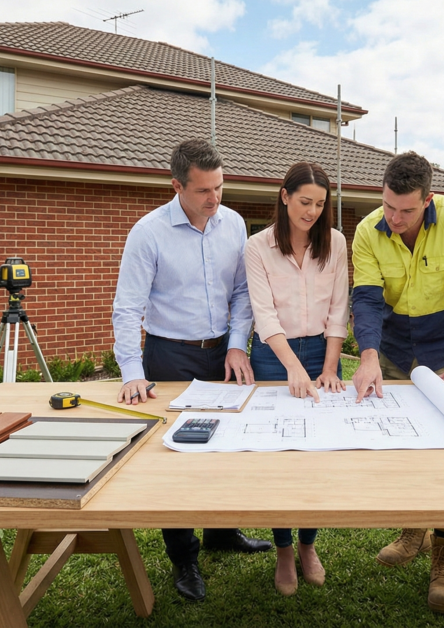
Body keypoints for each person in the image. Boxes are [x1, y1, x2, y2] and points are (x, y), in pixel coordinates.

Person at [111, 139, 271, 602]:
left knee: (226, 446)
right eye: (203, 190)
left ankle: (223, 532)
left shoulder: (235, 224)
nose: (214, 198)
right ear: (177, 185)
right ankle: (184, 557)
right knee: (174, 458)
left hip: (223, 351)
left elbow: (243, 294)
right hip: (169, 355)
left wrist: (238, 345)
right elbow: (127, 308)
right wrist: (131, 372)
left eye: (220, 186)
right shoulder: (148, 232)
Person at [349, 151, 444, 614]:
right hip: (391, 343)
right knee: (402, 444)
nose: (396, 218)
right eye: (389, 206)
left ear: (427, 200)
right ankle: (414, 528)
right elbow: (367, 300)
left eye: (407, 210)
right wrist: (368, 356)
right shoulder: (369, 230)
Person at [244, 161, 349, 595]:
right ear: (284, 196)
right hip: (274, 355)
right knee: (280, 456)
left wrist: (327, 368)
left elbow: (339, 307)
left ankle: (308, 544)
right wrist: (291, 366)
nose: (312, 211)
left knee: (317, 456)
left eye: (321, 204)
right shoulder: (258, 246)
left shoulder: (337, 242)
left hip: (323, 353)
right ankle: (283, 547)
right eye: (305, 201)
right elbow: (263, 312)